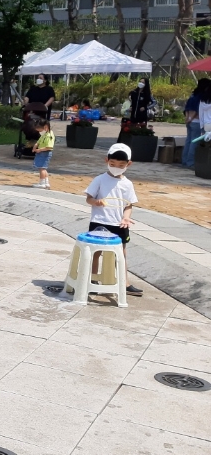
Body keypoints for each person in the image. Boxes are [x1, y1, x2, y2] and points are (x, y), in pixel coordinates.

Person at [85, 144, 143, 297]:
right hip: (100, 221)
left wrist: (126, 217)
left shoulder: (127, 184)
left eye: (121, 165)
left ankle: (125, 283)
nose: (116, 167)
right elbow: (89, 198)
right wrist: (96, 202)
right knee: (96, 251)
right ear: (107, 161)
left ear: (128, 164)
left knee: (121, 253)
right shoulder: (99, 179)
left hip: (118, 224)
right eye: (112, 164)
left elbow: (129, 205)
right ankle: (93, 280)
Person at [181, 79, 208, 168]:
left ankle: (184, 161)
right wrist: (191, 118)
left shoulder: (193, 95)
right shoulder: (201, 97)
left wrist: (188, 118)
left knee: (188, 141)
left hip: (189, 121)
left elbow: (187, 108)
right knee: (194, 142)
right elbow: (197, 110)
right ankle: (190, 163)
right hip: (196, 121)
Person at [118, 77, 153, 144]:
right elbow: (132, 102)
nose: (141, 83)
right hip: (133, 115)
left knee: (141, 130)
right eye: (140, 81)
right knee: (132, 129)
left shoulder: (147, 94)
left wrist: (145, 108)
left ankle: (140, 144)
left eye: (143, 82)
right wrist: (131, 107)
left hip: (142, 116)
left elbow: (152, 103)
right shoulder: (134, 93)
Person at [30, 116, 54, 190]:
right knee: (43, 168)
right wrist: (35, 146)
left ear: (45, 127)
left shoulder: (49, 135)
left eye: (40, 130)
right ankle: (46, 183)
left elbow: (49, 147)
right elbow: (39, 141)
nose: (39, 132)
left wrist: (39, 150)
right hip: (42, 153)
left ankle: (42, 183)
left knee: (42, 168)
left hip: (45, 153)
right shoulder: (44, 134)